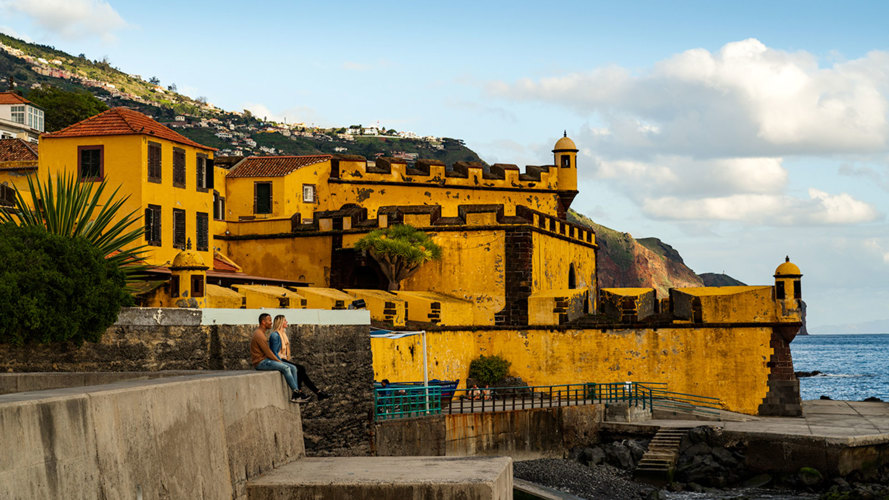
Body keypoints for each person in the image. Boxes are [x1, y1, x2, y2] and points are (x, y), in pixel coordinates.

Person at [250, 313, 310, 403]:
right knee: (285, 367)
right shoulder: (259, 335)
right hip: (261, 362)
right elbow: (268, 352)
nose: (271, 323)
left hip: (266, 360)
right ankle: (296, 392)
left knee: (293, 368)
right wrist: (279, 361)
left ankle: (296, 395)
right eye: (269, 320)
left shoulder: (261, 333)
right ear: (263, 322)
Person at [268, 315, 331, 401]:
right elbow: (273, 352)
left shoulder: (283, 334)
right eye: (285, 321)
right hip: (279, 359)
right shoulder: (275, 335)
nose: (287, 322)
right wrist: (280, 364)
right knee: (300, 368)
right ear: (280, 323)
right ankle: (309, 392)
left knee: (301, 369)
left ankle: (317, 392)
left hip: (283, 359)